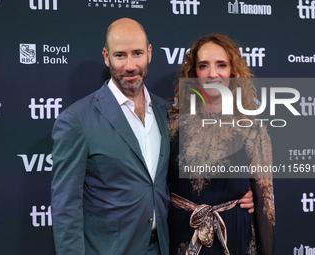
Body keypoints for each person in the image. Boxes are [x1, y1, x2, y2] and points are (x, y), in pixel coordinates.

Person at [51, 18, 255, 255]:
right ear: (106, 57)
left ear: (149, 53)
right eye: (120, 55)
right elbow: (66, 208)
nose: (130, 65)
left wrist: (239, 193)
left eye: (137, 53)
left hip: (164, 246)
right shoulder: (76, 120)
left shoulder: (166, 113)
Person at [167, 34, 275, 255]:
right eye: (203, 66)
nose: (213, 74)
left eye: (221, 65)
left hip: (235, 239)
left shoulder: (253, 129)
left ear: (233, 72)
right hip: (182, 236)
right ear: (194, 73)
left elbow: (266, 206)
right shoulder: (172, 124)